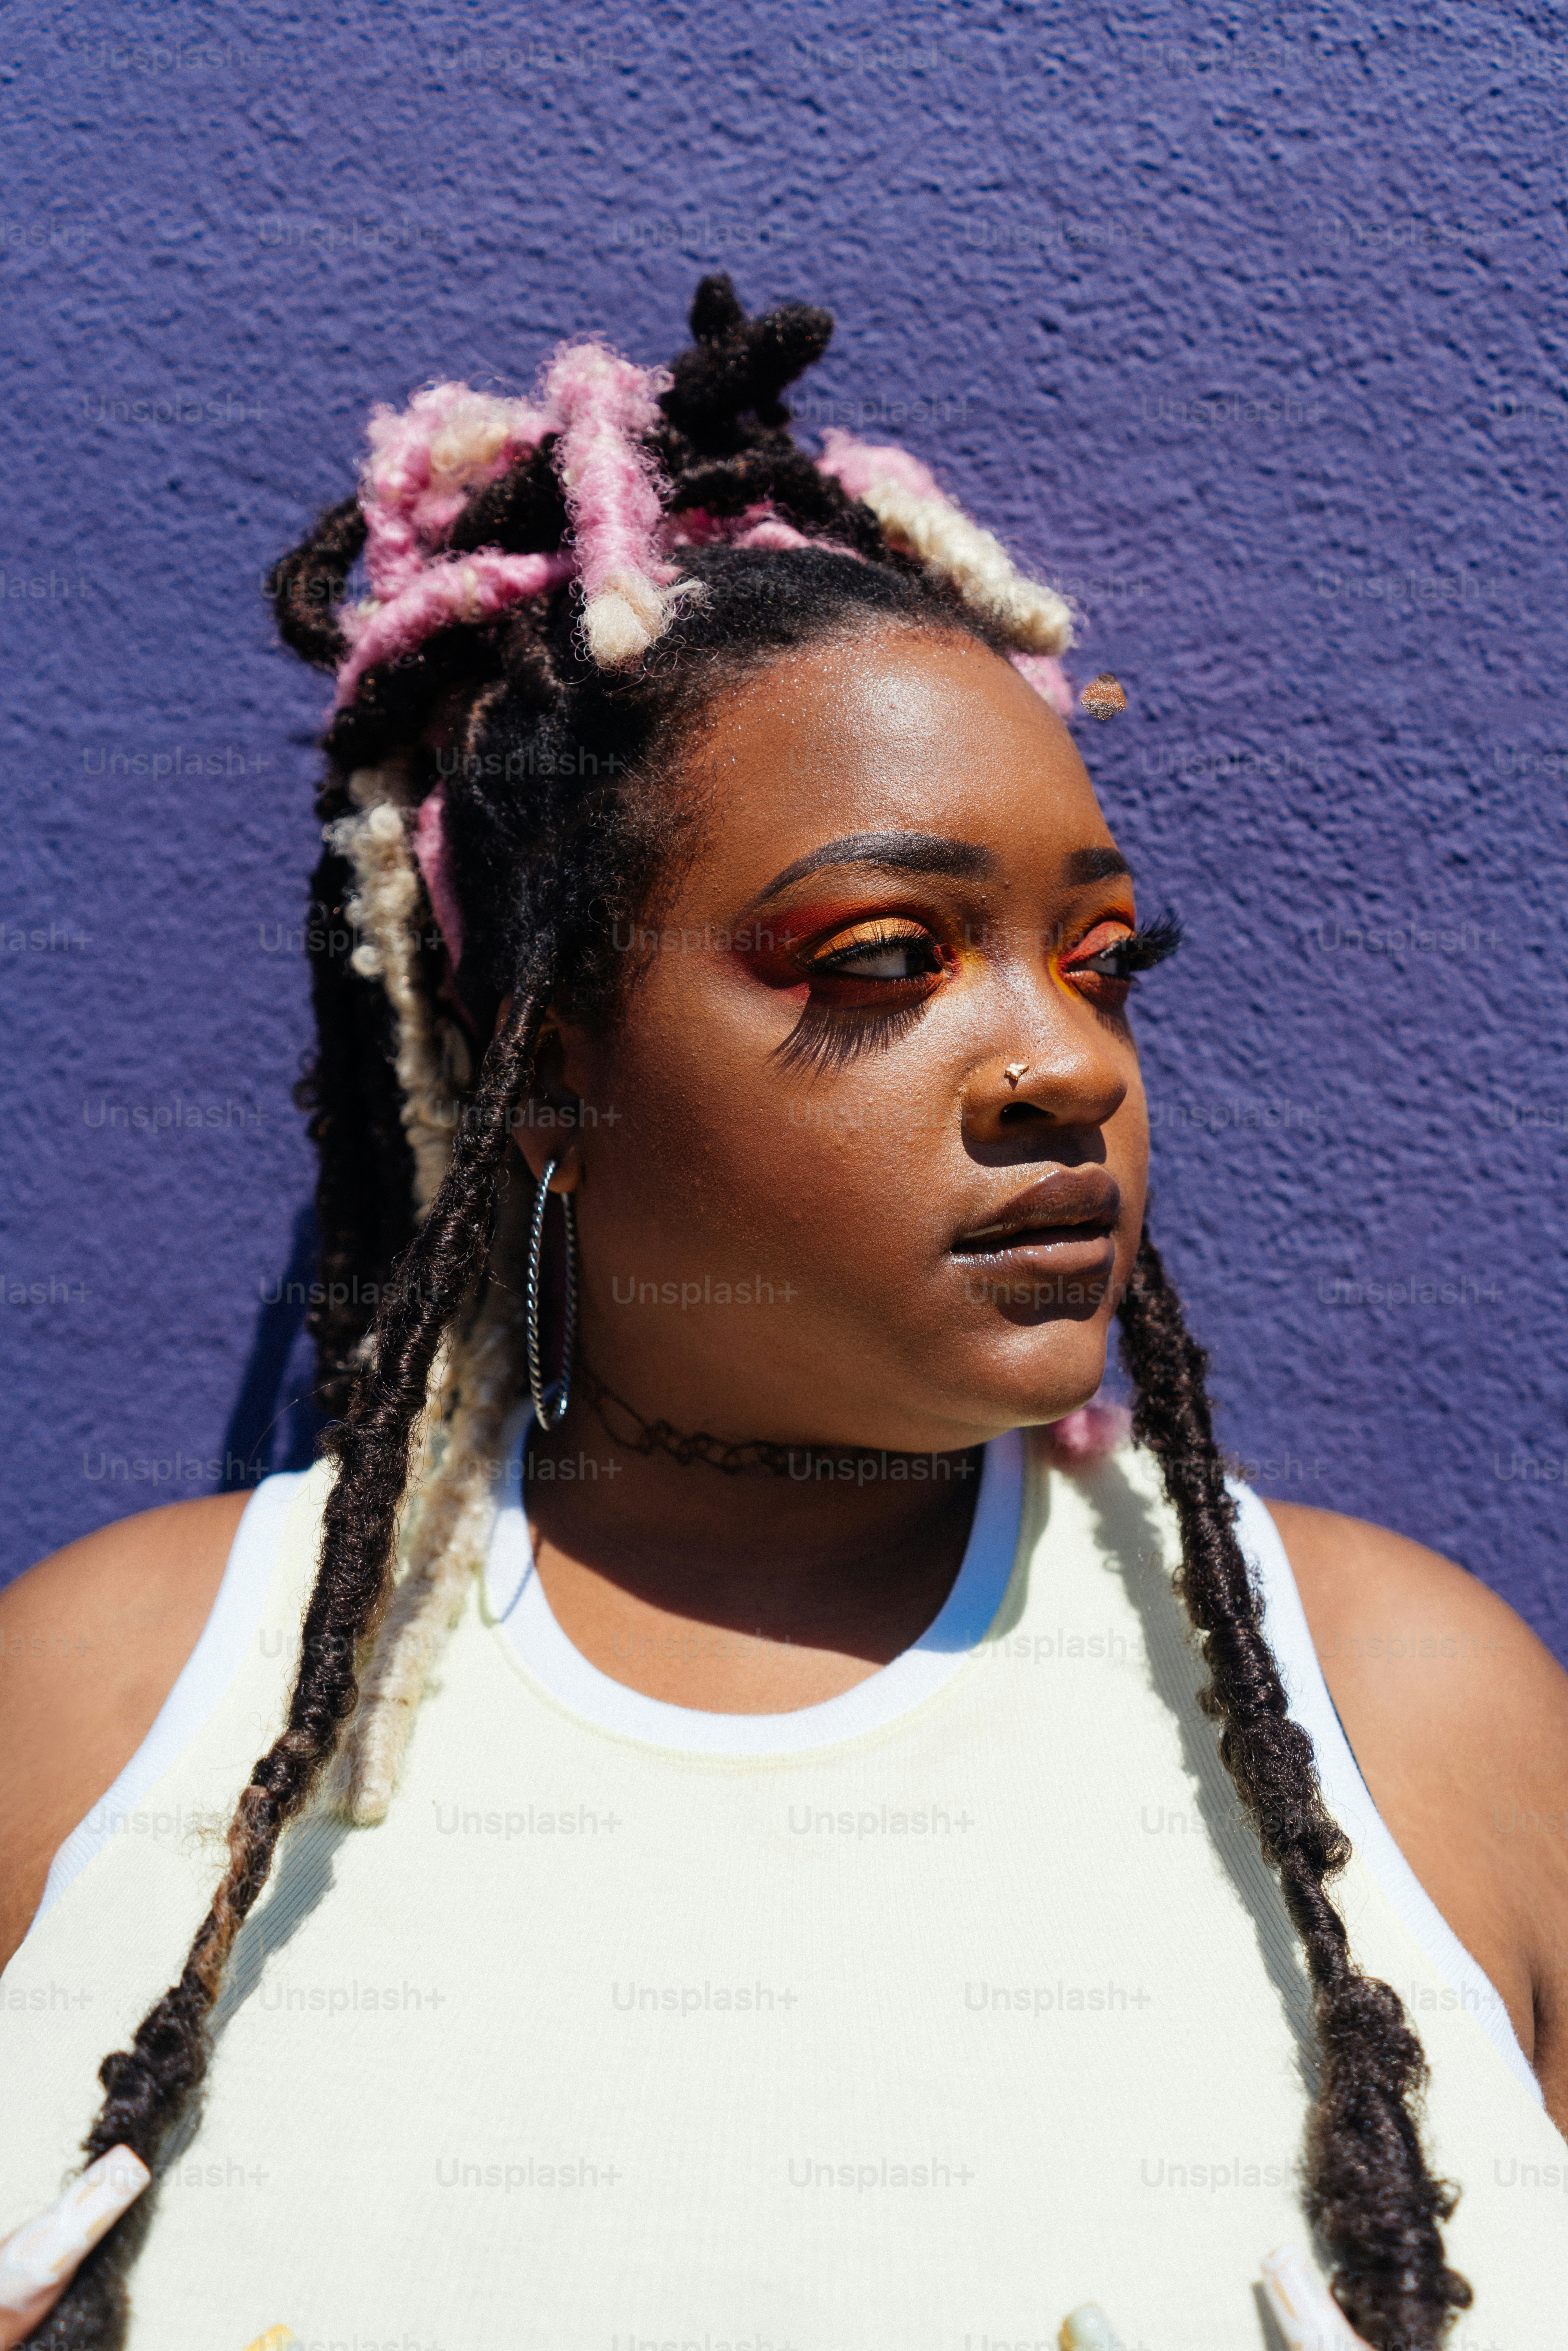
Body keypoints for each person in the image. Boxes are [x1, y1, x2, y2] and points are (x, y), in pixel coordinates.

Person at [1, 278, 1564, 2351]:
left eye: (1100, 961)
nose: (1063, 1067)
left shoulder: (1410, 1714)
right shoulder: (111, 1711)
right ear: (546, 1065)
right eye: (883, 956)